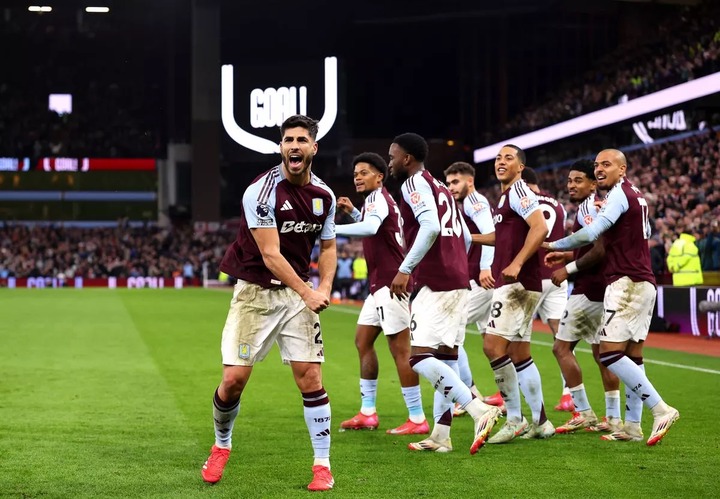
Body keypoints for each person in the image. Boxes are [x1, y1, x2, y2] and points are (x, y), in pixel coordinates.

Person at [201, 115, 337, 491]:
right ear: (281, 147)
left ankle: (322, 465)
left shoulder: (323, 196)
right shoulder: (260, 192)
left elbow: (327, 247)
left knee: (311, 378)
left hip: (297, 296)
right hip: (256, 293)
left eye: (301, 140)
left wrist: (323, 285)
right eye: (288, 140)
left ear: (314, 148)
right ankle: (221, 445)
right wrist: (309, 291)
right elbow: (271, 255)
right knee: (233, 381)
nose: (294, 146)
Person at [545, 148, 680, 446]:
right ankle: (632, 426)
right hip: (642, 281)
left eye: (606, 164)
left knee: (608, 353)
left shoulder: (619, 194)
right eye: (597, 165)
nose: (600, 169)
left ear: (623, 169)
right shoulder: (637, 195)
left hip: (627, 283)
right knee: (633, 356)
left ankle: (660, 408)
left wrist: (552, 243)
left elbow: (592, 234)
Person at [388, 132, 502, 454]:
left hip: (435, 283)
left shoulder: (413, 184)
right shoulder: (441, 188)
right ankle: (441, 437)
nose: (390, 161)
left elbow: (432, 227)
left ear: (407, 158)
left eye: (393, 155)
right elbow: (465, 234)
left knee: (420, 358)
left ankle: (479, 409)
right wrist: (456, 263)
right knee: (446, 360)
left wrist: (406, 268)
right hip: (458, 280)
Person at [335, 152, 429, 436]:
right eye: (355, 174)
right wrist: (353, 213)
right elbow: (374, 227)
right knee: (363, 341)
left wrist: (331, 229)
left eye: (364, 172)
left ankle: (417, 417)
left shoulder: (377, 198)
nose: (357, 177)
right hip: (379, 286)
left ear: (379, 177)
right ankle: (367, 412)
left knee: (401, 350)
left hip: (391, 284)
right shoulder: (380, 201)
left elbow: (371, 227)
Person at [472, 144, 554, 443]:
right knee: (520, 353)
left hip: (517, 283)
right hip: (524, 283)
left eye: (508, 158)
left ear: (520, 166)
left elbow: (540, 227)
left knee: (493, 347)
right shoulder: (507, 196)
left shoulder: (519, 192)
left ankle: (515, 419)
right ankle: (541, 421)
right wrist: (468, 237)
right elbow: (503, 236)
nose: (501, 162)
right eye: (498, 158)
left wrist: (517, 262)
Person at [542, 159, 622, 435]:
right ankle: (613, 418)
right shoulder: (599, 206)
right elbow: (593, 247)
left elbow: (599, 250)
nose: (571, 185)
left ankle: (584, 411)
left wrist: (568, 268)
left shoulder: (589, 207)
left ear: (592, 184)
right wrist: (566, 254)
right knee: (604, 355)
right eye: (569, 180)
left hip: (587, 291)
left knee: (560, 348)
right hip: (604, 288)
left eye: (578, 180)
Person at [444, 161, 505, 416]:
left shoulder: (474, 202)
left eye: (455, 182)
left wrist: (484, 267)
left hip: (481, 281)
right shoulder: (470, 203)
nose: (451, 187)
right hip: (484, 281)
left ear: (469, 181)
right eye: (448, 183)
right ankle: (505, 396)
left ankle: (469, 394)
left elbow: (492, 234)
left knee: (448, 332)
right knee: (493, 343)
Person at [520, 167, 573, 412]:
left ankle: (509, 395)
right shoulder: (558, 205)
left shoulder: (523, 200)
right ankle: (568, 394)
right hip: (556, 277)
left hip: (531, 276)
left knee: (515, 335)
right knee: (559, 334)